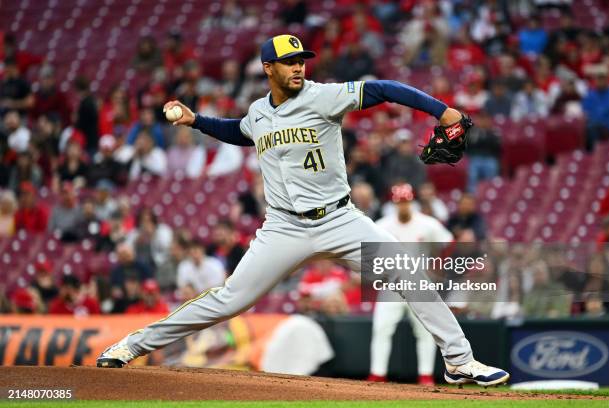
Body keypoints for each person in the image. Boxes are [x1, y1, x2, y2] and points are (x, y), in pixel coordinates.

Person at [97, 34, 509, 387]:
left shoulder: (322, 96)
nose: (298, 68)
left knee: (408, 272)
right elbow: (239, 130)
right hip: (283, 228)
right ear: (268, 68)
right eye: (289, 62)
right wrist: (195, 120)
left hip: (339, 219)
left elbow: (382, 88)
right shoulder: (259, 113)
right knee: (228, 300)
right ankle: (132, 345)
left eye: (301, 61)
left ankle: (458, 361)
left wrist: (443, 111)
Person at [368, 184, 453, 386]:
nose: (403, 206)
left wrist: (437, 265)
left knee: (425, 331)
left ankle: (425, 375)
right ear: (394, 203)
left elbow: (449, 243)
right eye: (400, 202)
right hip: (392, 287)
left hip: (419, 284)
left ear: (411, 201)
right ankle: (377, 374)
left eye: (406, 202)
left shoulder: (427, 224)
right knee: (381, 329)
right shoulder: (382, 225)